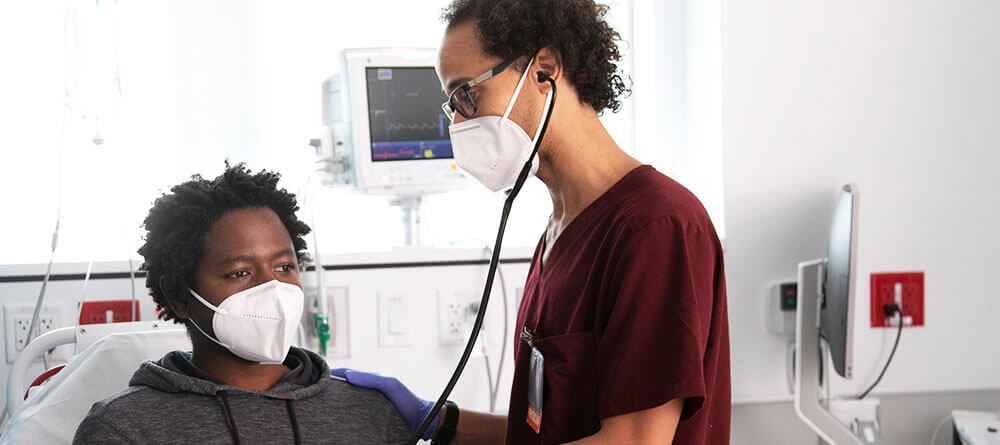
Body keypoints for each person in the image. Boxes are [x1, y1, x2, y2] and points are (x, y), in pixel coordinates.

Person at [332, 1, 731, 444]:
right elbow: (542, 432)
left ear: (544, 70)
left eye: (467, 93)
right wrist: (437, 420)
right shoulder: (559, 231)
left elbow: (634, 441)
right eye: (453, 106)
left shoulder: (657, 228)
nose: (459, 122)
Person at [73, 164, 410, 444]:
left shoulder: (368, 412)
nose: (272, 287)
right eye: (240, 272)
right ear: (179, 297)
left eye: (284, 267)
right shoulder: (124, 429)